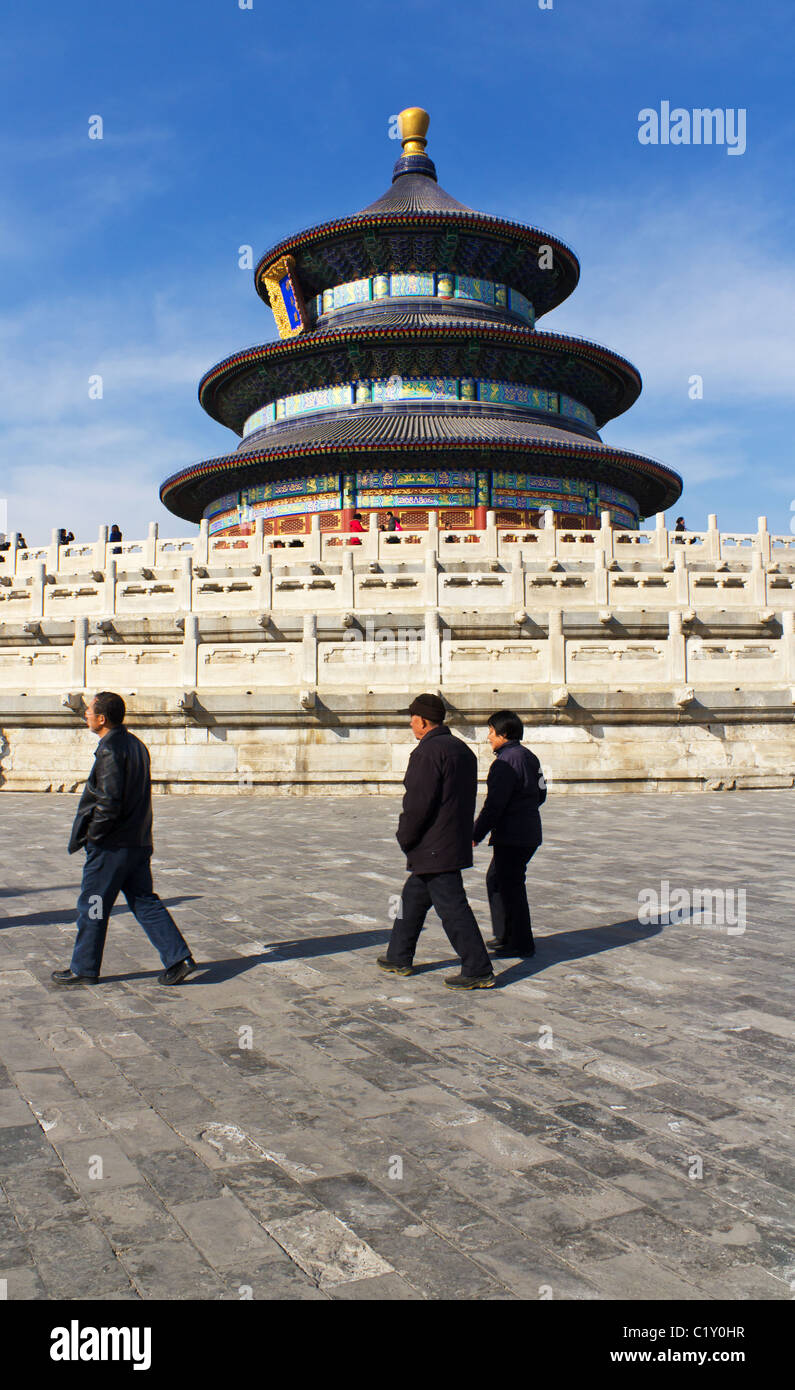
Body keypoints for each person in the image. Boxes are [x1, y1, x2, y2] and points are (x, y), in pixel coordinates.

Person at [52, 691, 197, 987]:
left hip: (111, 846)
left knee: (93, 903)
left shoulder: (109, 749)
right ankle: (178, 958)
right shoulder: (136, 745)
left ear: (102, 719)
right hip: (138, 841)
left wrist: (94, 836)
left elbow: (108, 801)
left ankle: (84, 967)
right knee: (144, 901)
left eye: (89, 711)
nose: (86, 715)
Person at [379, 693, 495, 989]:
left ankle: (477, 967)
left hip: (433, 844)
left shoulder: (427, 752)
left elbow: (418, 803)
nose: (410, 723)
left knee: (452, 906)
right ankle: (398, 955)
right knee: (413, 898)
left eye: (412, 717)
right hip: (451, 838)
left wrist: (406, 836)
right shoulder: (461, 750)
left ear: (422, 720)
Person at [473, 710, 546, 958]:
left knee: (510, 886)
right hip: (529, 832)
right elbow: (542, 793)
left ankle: (520, 942)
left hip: (512, 835)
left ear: (504, 734)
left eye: (491, 732)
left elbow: (494, 805)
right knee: (497, 880)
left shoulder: (504, 763)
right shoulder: (530, 757)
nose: (488, 737)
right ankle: (505, 935)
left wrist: (476, 833)